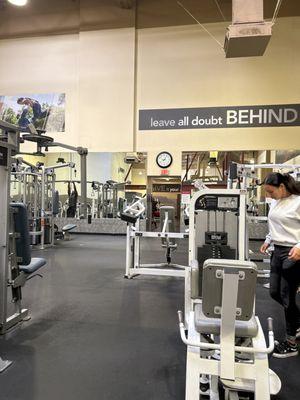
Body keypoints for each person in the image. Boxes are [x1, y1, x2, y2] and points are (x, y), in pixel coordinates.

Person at [260, 172, 300, 358]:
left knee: (287, 296)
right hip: (277, 250)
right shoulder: (276, 202)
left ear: (282, 187)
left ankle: (291, 342)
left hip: (293, 253)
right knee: (274, 292)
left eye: (270, 191)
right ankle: (297, 322)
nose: (268, 195)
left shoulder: (297, 202)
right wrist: (268, 239)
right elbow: (275, 224)